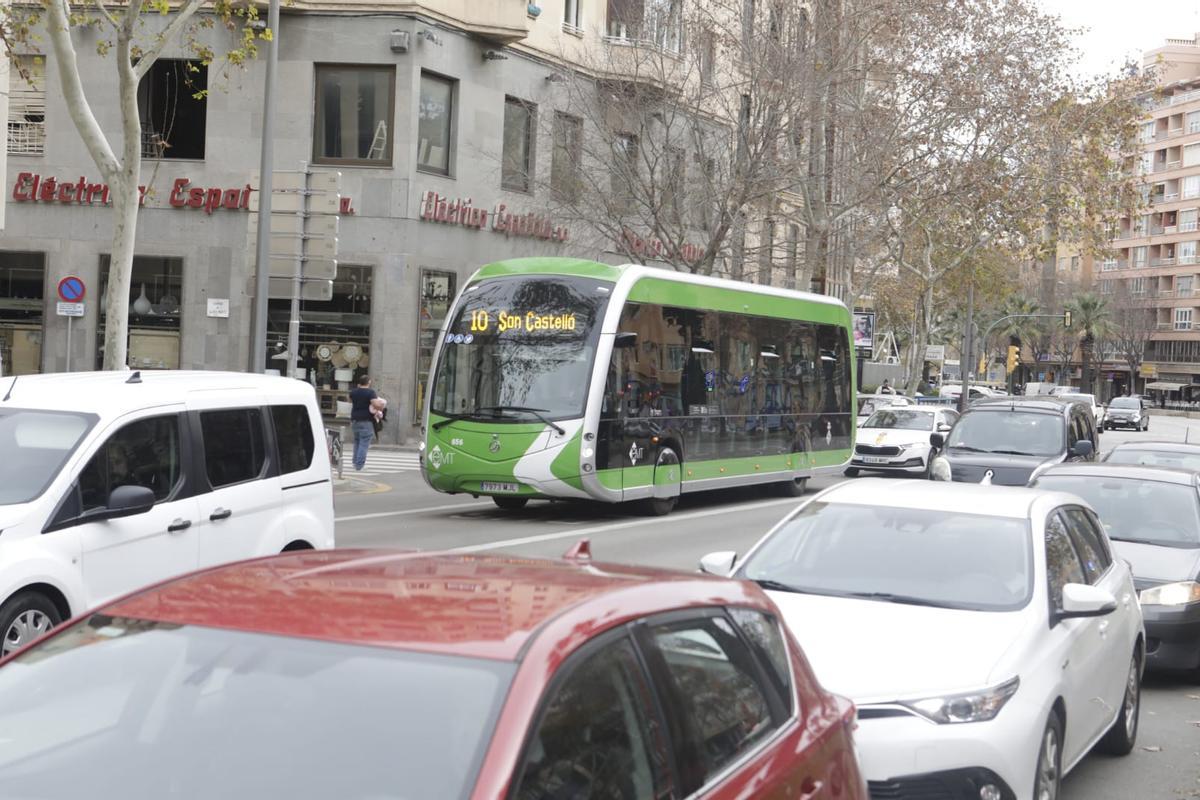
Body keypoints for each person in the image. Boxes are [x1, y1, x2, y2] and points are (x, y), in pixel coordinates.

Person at [350, 375, 381, 471]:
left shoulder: (353, 392)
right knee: (364, 443)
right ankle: (359, 465)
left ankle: (355, 462)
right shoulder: (370, 392)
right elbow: (376, 404)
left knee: (357, 442)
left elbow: (350, 400)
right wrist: (381, 406)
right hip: (366, 420)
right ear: (369, 382)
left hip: (354, 419)